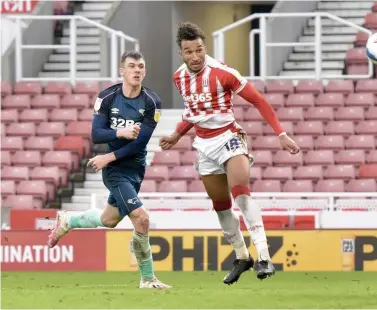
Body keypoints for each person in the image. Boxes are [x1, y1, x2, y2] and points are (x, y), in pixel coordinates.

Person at [159, 22, 300, 285]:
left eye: (199, 50)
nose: (195, 56)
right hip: (204, 146)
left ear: (205, 48)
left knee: (242, 196)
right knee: (221, 207)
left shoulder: (223, 73)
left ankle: (265, 257)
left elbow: (259, 100)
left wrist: (280, 134)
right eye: (189, 52)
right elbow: (194, 112)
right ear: (181, 53)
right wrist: (177, 134)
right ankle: (242, 257)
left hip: (230, 138)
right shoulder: (179, 77)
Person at [47, 51, 170, 289]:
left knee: (109, 219)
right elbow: (96, 134)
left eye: (141, 67)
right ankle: (147, 279)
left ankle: (68, 220)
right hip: (115, 170)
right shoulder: (107, 98)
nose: (137, 70)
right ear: (121, 71)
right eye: (132, 66)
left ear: (145, 71)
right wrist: (118, 135)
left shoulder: (152, 102)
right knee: (142, 219)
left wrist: (109, 154)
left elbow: (140, 143)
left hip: (136, 168)